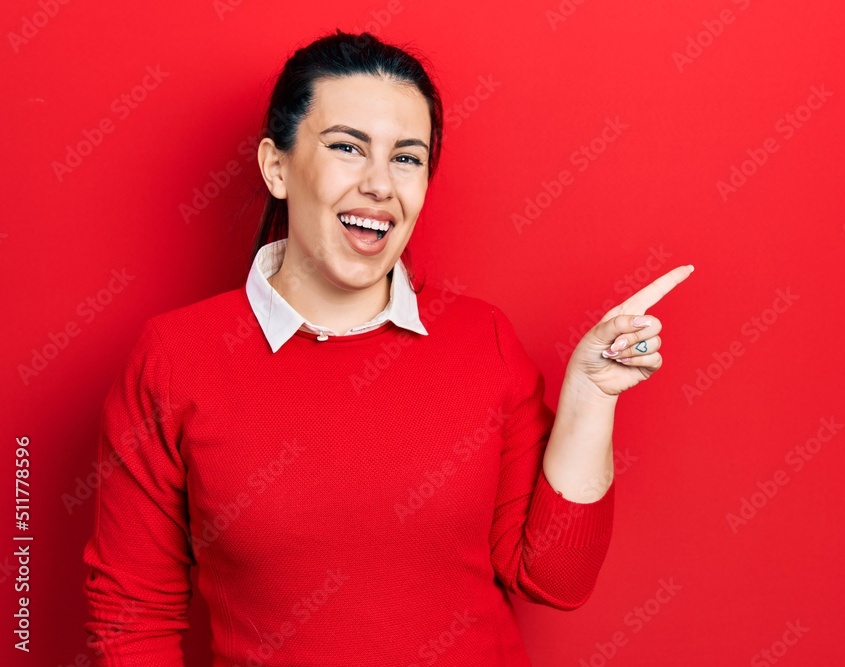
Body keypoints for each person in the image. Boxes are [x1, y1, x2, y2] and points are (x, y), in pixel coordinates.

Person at [81, 29, 693, 665]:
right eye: (348, 147)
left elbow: (556, 581)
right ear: (277, 167)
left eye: (406, 157)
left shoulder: (482, 342)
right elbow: (131, 617)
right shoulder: (177, 357)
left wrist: (591, 395)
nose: (380, 184)